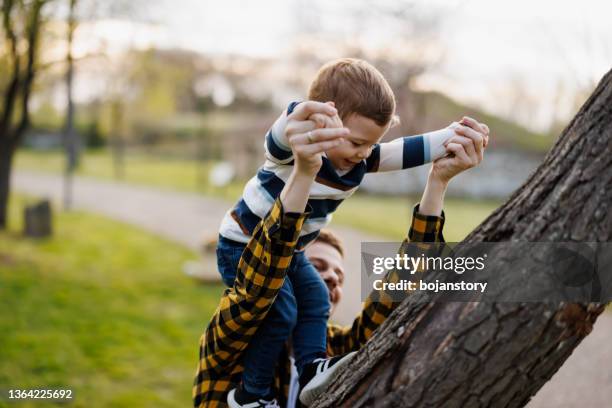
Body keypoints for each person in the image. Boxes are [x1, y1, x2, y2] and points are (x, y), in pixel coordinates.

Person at [214, 58, 486, 407]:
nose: (363, 155)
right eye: (357, 143)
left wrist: (457, 137)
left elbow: (408, 150)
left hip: (292, 252)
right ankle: (252, 395)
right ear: (323, 121)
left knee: (313, 298)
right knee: (280, 310)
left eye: (371, 145)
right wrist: (299, 121)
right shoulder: (291, 154)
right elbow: (279, 139)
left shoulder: (358, 156)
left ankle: (312, 370)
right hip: (242, 244)